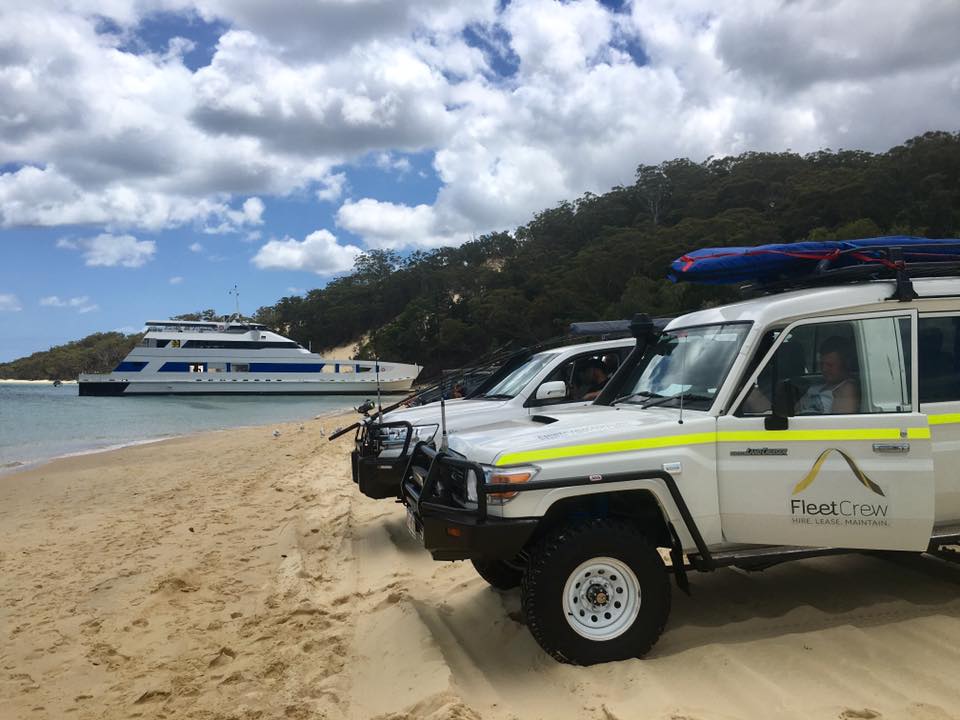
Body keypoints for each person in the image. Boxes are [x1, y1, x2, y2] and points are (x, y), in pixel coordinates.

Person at [794, 336, 859, 414]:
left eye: (830, 365)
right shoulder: (818, 385)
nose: (824, 369)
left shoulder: (847, 389)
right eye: (821, 364)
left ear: (846, 364)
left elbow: (840, 423)